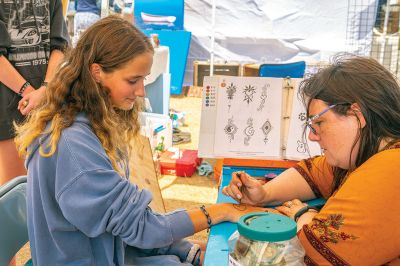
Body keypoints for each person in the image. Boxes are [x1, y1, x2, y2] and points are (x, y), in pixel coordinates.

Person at [14, 16, 272, 266]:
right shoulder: (73, 146)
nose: (140, 92)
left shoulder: (87, 124)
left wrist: (188, 250)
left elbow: (125, 228)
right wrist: (218, 212)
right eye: (133, 80)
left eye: (143, 79)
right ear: (97, 72)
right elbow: (142, 228)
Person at [223, 55, 400, 265]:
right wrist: (264, 194)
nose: (312, 136)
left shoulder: (389, 171)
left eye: (319, 123)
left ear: (357, 116)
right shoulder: (367, 155)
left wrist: (303, 217)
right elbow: (314, 174)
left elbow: (316, 252)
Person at [0, 0, 69, 186]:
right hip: (9, 110)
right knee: (17, 190)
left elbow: (60, 46)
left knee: (49, 186)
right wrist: (31, 93)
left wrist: (45, 89)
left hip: (49, 106)